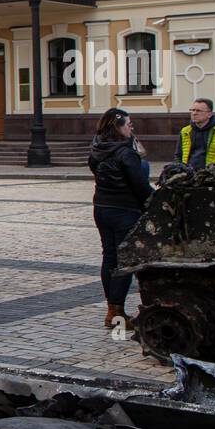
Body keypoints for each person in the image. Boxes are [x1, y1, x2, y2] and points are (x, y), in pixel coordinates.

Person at [88, 108, 153, 329]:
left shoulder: (98, 150)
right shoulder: (125, 153)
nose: (131, 127)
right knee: (123, 261)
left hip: (102, 208)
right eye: (128, 124)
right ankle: (117, 312)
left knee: (109, 257)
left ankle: (112, 310)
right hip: (124, 211)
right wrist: (154, 201)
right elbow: (140, 186)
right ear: (118, 127)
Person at [180, 97, 215, 170]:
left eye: (198, 111)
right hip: (189, 175)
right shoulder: (185, 131)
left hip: (213, 175)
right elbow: (179, 156)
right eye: (192, 110)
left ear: (209, 114)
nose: (194, 113)